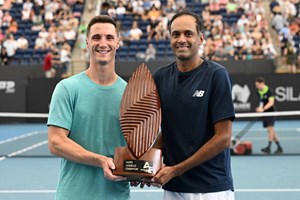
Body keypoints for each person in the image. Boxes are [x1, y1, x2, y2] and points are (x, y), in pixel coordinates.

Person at [134, 10, 236, 200]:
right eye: (176, 34)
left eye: (188, 33)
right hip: (174, 189)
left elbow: (223, 138)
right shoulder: (161, 77)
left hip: (211, 189)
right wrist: (147, 164)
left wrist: (175, 170)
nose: (181, 39)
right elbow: (169, 131)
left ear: (201, 38)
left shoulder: (217, 76)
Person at [47, 15, 130, 200]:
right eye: (96, 37)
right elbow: (56, 143)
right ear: (86, 43)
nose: (103, 43)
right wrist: (100, 160)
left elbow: (138, 146)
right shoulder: (67, 88)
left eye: (109, 37)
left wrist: (145, 170)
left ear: (118, 42)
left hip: (117, 196)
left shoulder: (130, 94)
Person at [255, 77, 283, 154]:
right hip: (265, 113)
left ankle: (269, 147)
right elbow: (261, 102)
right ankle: (279, 147)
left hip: (271, 112)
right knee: (271, 131)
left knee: (270, 129)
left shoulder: (269, 91)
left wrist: (263, 109)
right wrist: (260, 108)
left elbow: (271, 102)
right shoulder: (258, 92)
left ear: (262, 83)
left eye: (257, 85)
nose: (256, 86)